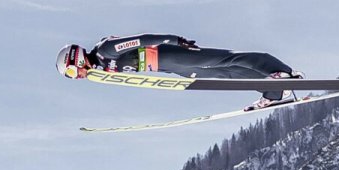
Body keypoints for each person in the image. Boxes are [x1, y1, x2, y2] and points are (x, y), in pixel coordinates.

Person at [58, 34, 303, 107]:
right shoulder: (101, 68)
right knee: (226, 74)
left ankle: (281, 72)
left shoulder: (105, 50)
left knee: (228, 60)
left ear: (77, 58)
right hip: (172, 68)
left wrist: (174, 40)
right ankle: (274, 91)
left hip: (173, 56)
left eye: (72, 72)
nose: (76, 77)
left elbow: (142, 39)